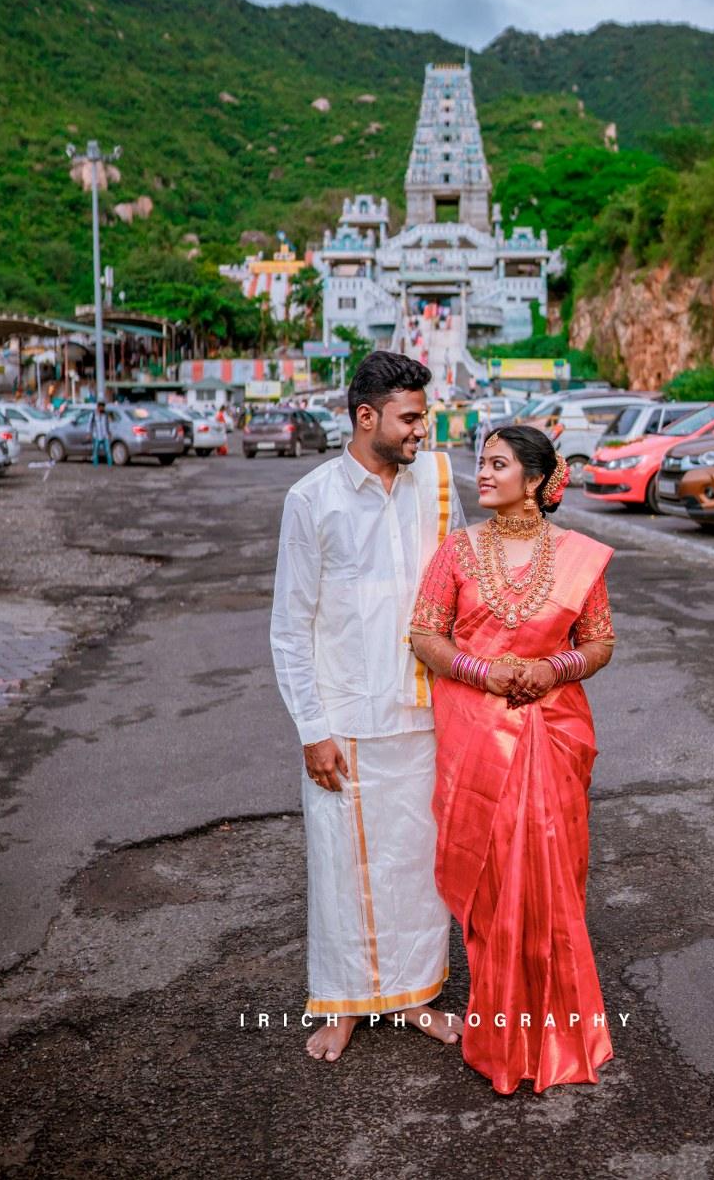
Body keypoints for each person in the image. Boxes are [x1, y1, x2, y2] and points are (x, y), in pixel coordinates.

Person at [270, 351, 466, 1064]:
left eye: (424, 415)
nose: (424, 428)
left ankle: (414, 995)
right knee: (342, 868)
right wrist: (311, 729)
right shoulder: (312, 499)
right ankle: (346, 1002)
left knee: (417, 865)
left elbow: (462, 593)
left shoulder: (437, 485)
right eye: (411, 416)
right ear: (365, 417)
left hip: (423, 712)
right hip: (345, 719)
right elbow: (291, 627)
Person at [409, 425, 616, 1094]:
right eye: (481, 463)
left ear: (536, 478)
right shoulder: (457, 551)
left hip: (552, 731)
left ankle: (554, 1029)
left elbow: (600, 642)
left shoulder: (579, 556)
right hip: (476, 730)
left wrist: (550, 666)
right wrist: (481, 670)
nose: (483, 474)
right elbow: (424, 635)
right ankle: (498, 1026)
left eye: (498, 464)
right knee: (494, 882)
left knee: (553, 877)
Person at [88, 400, 113, 467]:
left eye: (103, 407)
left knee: (108, 450)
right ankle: (95, 465)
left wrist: (109, 432)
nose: (102, 408)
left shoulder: (106, 415)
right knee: (95, 451)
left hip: (105, 435)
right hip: (96, 435)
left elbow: (108, 424)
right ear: (98, 407)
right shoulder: (93, 415)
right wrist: (89, 434)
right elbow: (90, 425)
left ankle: (110, 465)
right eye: (101, 407)